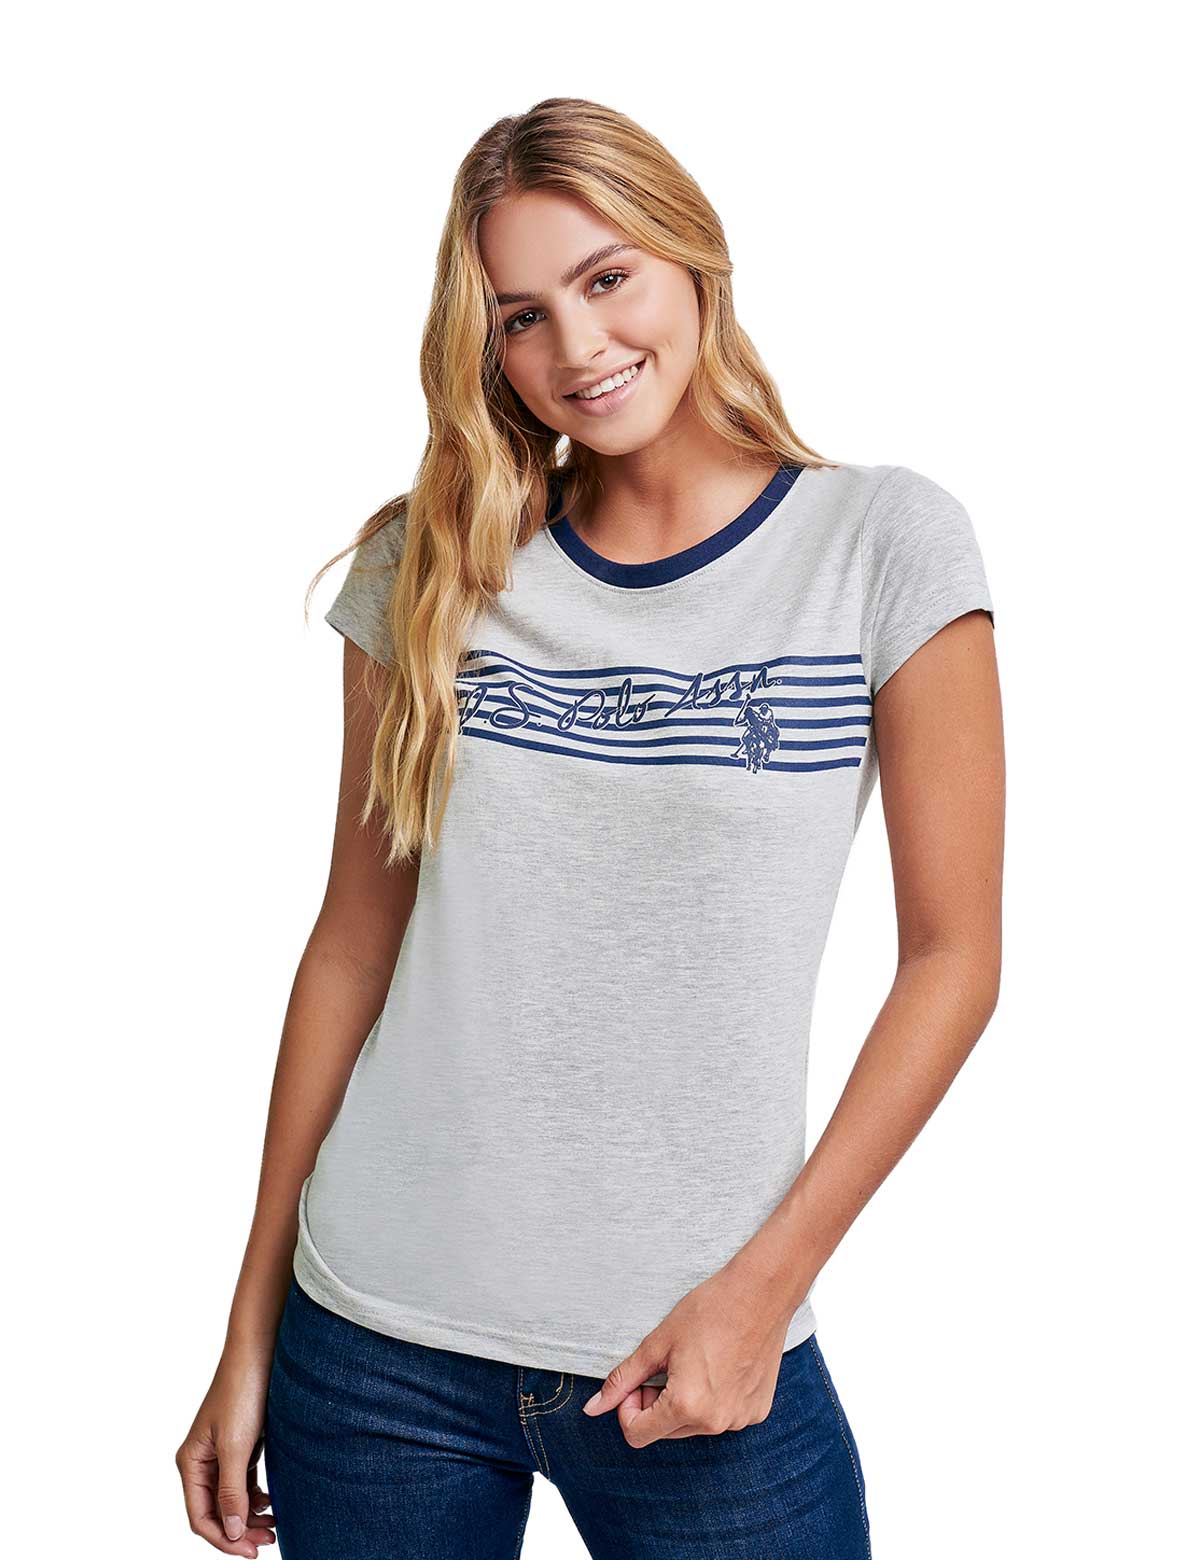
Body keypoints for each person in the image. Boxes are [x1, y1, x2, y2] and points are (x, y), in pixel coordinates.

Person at [176, 95, 1004, 1559]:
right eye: (522, 317)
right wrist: (248, 1332)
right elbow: (352, 947)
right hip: (371, 1351)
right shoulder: (431, 565)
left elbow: (954, 961)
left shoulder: (882, 546)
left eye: (607, 278)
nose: (577, 346)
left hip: (696, 1357)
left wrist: (761, 1294)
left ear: (694, 257)